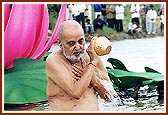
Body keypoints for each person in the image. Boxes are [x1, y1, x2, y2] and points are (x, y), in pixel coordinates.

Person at [46, 20, 113, 111]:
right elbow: (75, 92)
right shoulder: (54, 60)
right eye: (71, 43)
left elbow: (109, 97)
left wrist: (93, 79)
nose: (78, 47)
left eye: (81, 42)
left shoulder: (91, 57)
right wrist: (93, 63)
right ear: (60, 43)